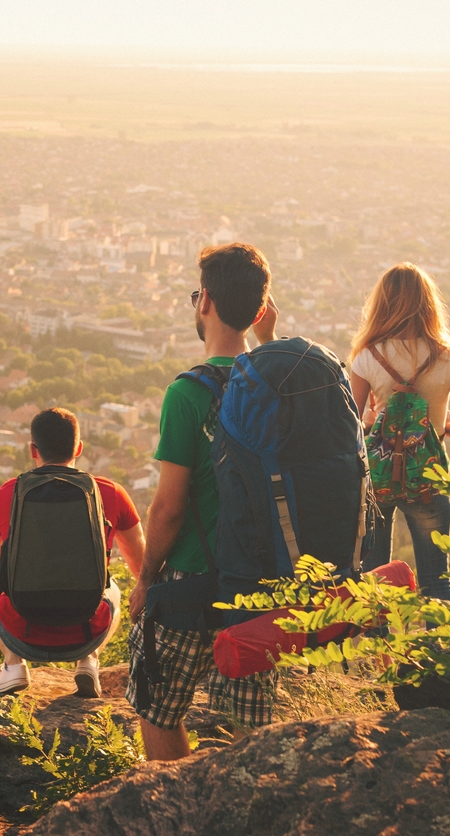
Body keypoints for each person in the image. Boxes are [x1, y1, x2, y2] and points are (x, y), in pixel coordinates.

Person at [125, 242, 280, 761]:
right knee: (251, 731)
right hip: (259, 587)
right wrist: (269, 340)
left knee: (158, 710)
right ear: (259, 312)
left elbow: (168, 508)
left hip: (190, 582)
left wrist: (146, 578)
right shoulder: (278, 386)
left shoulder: (188, 394)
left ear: (205, 302)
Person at [0, 407, 145, 697]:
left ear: (32, 450)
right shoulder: (111, 493)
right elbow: (141, 564)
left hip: (22, 632)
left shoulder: (6, 494)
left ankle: (13, 665)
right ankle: (88, 661)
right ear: (78, 447)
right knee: (111, 581)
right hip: (88, 632)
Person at [348, 262, 450, 602]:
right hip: (428, 478)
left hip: (377, 479)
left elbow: (351, 424)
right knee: (436, 581)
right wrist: (437, 429)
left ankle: (380, 653)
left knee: (375, 583)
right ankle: (438, 652)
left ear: (381, 304)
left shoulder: (366, 358)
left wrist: (376, 422)